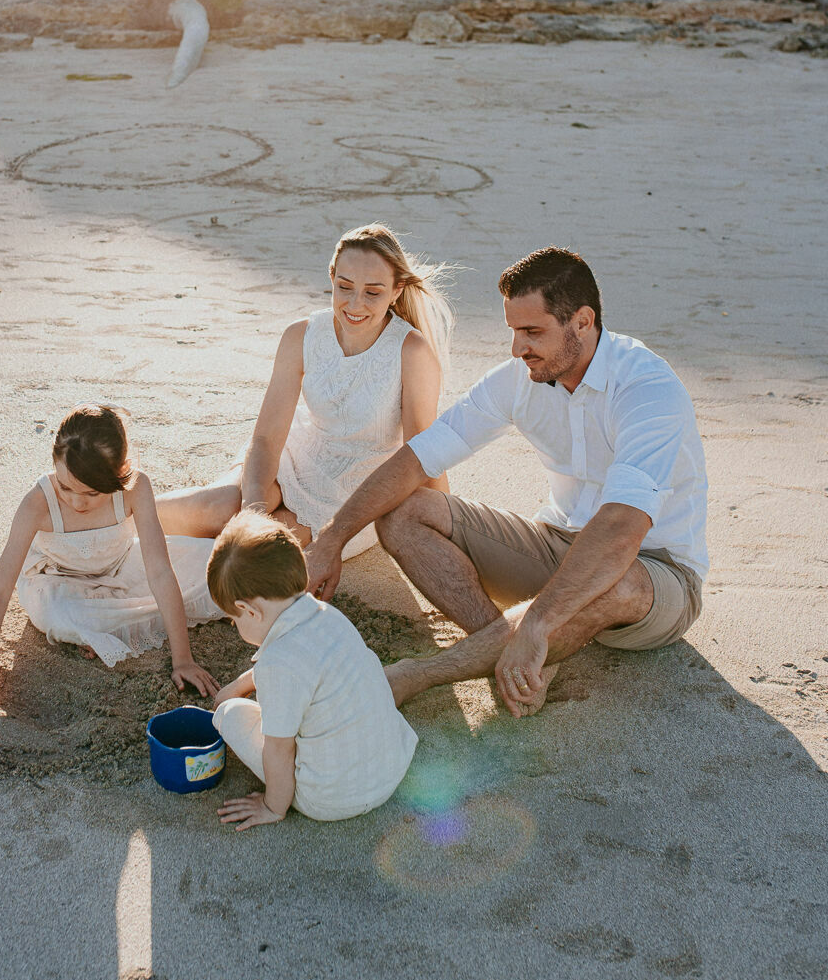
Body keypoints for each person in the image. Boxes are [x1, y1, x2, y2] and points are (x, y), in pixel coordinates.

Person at [304, 248, 708, 720]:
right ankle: (520, 657)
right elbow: (416, 458)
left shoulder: (646, 388)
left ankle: (420, 674)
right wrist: (332, 538)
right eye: (513, 331)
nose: (518, 348)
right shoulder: (521, 377)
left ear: (582, 321)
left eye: (532, 332)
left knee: (616, 584)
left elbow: (621, 527)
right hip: (556, 546)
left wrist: (537, 622)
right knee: (404, 510)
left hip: (656, 574)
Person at [154, 224, 453, 560]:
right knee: (220, 508)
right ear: (331, 278)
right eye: (344, 287)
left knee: (265, 549)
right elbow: (266, 438)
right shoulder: (301, 335)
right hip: (296, 455)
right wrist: (252, 509)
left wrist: (452, 529)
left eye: (373, 292)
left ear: (396, 291)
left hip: (357, 489)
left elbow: (422, 454)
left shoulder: (411, 351)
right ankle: (112, 515)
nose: (355, 304)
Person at [0, 405, 220, 710]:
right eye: (65, 487)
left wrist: (183, 660)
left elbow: (161, 573)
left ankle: (103, 630)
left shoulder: (136, 487)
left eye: (91, 494)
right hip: (59, 583)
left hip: (120, 565)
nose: (76, 501)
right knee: (62, 616)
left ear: (120, 472)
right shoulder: (38, 503)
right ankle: (93, 631)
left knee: (212, 568)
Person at [208, 511, 417, 828]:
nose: (236, 625)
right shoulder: (329, 617)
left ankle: (281, 802)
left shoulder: (279, 661)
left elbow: (280, 748)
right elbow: (306, 672)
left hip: (331, 798)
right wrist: (244, 681)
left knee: (229, 714)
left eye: (234, 619)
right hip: (392, 766)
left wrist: (273, 806)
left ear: (248, 610)